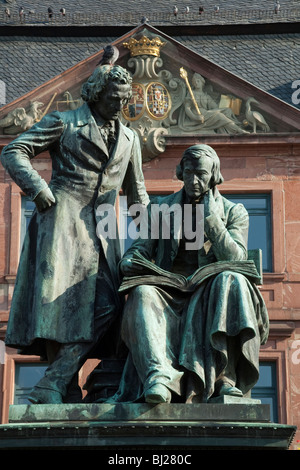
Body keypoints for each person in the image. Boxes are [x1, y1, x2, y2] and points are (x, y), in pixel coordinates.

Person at [1, 64, 149, 404]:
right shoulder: (64, 122)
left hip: (105, 232)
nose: (118, 106)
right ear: (96, 94)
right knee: (61, 306)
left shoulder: (129, 138)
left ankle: (53, 382)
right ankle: (62, 387)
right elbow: (14, 150)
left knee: (109, 305)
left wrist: (153, 237)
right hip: (62, 221)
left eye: (124, 100)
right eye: (113, 98)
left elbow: (137, 194)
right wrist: (39, 190)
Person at [110, 144, 269, 404]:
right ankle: (158, 378)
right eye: (188, 172)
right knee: (141, 293)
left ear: (214, 175)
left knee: (231, 279)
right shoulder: (159, 209)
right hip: (168, 292)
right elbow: (138, 250)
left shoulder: (233, 212)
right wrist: (129, 263)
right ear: (180, 172)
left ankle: (224, 379)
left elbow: (237, 258)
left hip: (211, 294)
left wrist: (212, 220)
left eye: (201, 174)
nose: (194, 180)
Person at [178, 72, 247, 134]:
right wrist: (196, 117)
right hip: (199, 116)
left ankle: (231, 129)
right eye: (194, 81)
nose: (196, 83)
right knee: (220, 116)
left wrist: (228, 98)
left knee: (228, 110)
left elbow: (216, 107)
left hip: (206, 114)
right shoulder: (191, 93)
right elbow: (187, 108)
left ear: (202, 83)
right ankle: (238, 130)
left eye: (198, 81)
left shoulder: (206, 96)